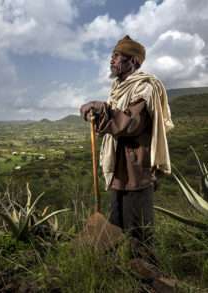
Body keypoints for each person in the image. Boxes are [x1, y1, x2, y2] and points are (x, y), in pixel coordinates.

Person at [80, 35, 174, 261]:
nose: (111, 60)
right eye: (112, 56)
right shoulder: (118, 87)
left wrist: (101, 108)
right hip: (119, 170)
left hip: (136, 169)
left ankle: (148, 276)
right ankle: (121, 270)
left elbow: (131, 124)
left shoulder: (144, 88)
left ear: (133, 61)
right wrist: (101, 111)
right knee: (117, 223)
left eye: (117, 56)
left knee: (139, 230)